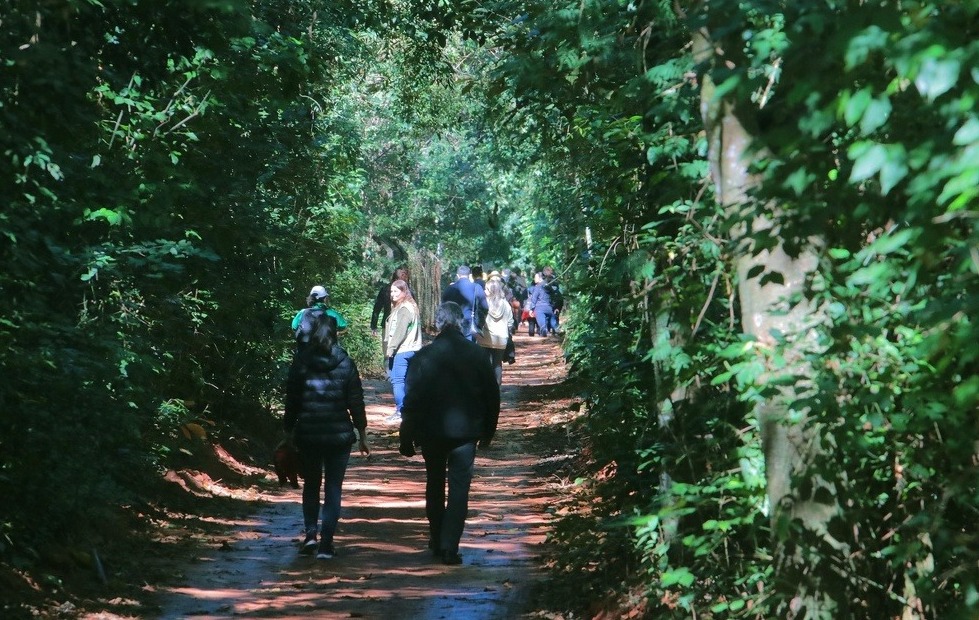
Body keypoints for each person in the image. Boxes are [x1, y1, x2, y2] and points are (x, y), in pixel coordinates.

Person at [398, 302, 500, 566]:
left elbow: (412, 399)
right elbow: (492, 395)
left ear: (438, 323)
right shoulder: (476, 355)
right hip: (466, 433)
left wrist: (406, 433)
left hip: (431, 432)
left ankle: (436, 538)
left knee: (434, 483)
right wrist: (489, 429)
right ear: (461, 323)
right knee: (459, 490)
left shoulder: (424, 356)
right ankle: (449, 546)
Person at [284, 312, 370, 560]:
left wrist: (287, 431)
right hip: (338, 436)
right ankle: (326, 544)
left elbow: (293, 400)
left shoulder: (301, 361)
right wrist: (362, 434)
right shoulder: (345, 362)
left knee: (311, 484)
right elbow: (356, 401)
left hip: (308, 434)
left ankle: (311, 535)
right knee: (333, 488)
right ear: (334, 335)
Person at [383, 279, 423, 424]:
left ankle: (401, 411)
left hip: (403, 350)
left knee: (397, 381)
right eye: (391, 291)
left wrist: (391, 349)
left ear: (403, 292)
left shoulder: (404, 309)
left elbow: (400, 331)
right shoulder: (410, 306)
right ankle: (410, 411)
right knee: (408, 382)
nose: (392, 294)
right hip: (412, 349)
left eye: (395, 291)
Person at [476, 278, 515, 384]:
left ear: (491, 291)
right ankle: (497, 388)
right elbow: (510, 322)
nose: (484, 291)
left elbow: (479, 320)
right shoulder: (506, 304)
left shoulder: (484, 304)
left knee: (485, 365)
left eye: (486, 289)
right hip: (501, 339)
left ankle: (487, 388)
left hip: (485, 339)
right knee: (497, 364)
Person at [292, 285, 349, 353]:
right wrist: (338, 333)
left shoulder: (303, 312)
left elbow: (294, 327)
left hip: (305, 352)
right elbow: (345, 327)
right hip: (328, 351)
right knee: (346, 362)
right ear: (325, 299)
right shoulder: (332, 313)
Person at [440, 265, 488, 343]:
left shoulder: (449, 289)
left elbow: (443, 308)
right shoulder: (476, 288)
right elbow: (485, 307)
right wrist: (478, 324)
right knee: (468, 351)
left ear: (457, 275)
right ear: (470, 275)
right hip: (469, 324)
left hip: (452, 325)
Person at [370, 266, 411, 339]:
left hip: (404, 327)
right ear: (396, 279)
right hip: (389, 326)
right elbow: (377, 308)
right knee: (389, 349)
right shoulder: (385, 290)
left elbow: (413, 311)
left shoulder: (409, 292)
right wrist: (373, 326)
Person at [528, 271, 556, 337]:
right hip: (549, 308)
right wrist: (554, 306)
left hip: (540, 308)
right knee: (551, 319)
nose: (534, 279)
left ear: (540, 278)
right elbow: (554, 296)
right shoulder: (549, 286)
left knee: (542, 323)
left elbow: (534, 299)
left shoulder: (537, 287)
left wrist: (531, 309)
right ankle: (556, 329)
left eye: (535, 277)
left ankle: (544, 329)